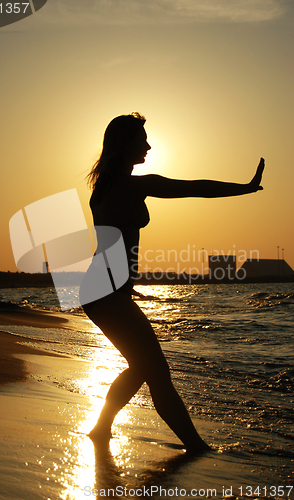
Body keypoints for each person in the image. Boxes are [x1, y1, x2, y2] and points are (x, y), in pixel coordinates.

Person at [81, 112, 264, 453]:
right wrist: (245, 188)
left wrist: (124, 284)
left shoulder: (102, 187)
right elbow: (195, 188)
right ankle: (196, 446)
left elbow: (111, 243)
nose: (148, 145)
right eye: (142, 139)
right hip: (106, 292)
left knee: (141, 366)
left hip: (101, 289)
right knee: (156, 372)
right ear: (124, 145)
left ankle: (101, 428)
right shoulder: (135, 185)